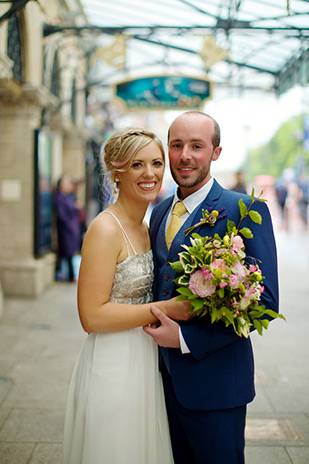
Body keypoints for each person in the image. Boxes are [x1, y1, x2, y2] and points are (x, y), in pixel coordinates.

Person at [144, 111, 279, 464]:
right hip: (161, 382)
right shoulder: (158, 212)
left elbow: (264, 302)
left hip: (216, 386)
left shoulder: (245, 210)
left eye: (196, 146)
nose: (185, 155)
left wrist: (187, 340)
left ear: (215, 153)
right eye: (177, 145)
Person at [62, 128, 191, 464]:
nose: (150, 174)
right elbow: (91, 317)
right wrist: (165, 309)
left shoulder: (148, 226)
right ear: (117, 173)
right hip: (113, 360)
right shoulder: (105, 229)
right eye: (137, 165)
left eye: (157, 163)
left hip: (146, 358)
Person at [54, 175, 81, 282]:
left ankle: (69, 274)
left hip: (72, 229)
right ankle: (65, 274)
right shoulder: (59, 198)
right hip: (65, 230)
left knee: (70, 252)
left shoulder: (70, 196)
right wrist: (71, 225)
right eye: (67, 183)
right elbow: (62, 216)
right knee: (66, 252)